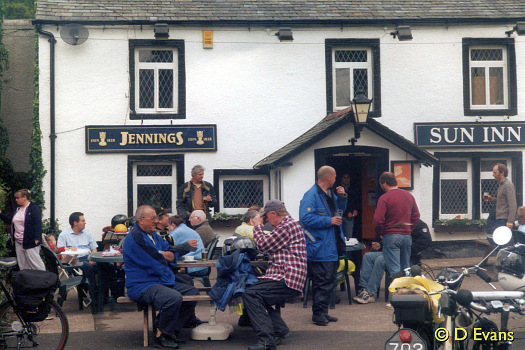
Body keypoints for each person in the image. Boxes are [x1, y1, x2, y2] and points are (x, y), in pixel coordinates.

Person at [123, 205, 199, 349]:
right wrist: (164, 256)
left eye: (157, 218)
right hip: (141, 285)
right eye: (153, 219)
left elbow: (170, 251)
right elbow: (154, 261)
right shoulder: (135, 238)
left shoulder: (153, 235)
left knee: (192, 293)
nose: (156, 221)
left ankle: (170, 330)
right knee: (173, 298)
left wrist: (164, 255)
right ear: (141, 220)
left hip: (157, 281)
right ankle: (161, 336)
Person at [243, 200, 307, 350]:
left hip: (287, 277)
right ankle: (279, 330)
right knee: (253, 292)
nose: (265, 220)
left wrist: (257, 226)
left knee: (251, 294)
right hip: (285, 275)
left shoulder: (287, 226)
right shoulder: (288, 225)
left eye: (266, 217)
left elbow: (263, 245)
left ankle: (266, 341)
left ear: (274, 213)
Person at [299, 165, 347, 326]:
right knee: (322, 280)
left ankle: (323, 312)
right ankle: (318, 314)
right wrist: (328, 221)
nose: (336, 179)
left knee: (329, 280)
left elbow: (339, 212)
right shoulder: (311, 195)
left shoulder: (330, 194)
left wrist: (342, 198)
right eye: (334, 177)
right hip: (319, 246)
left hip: (331, 244)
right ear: (329, 178)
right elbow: (305, 218)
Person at [354, 220, 431, 304]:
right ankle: (363, 288)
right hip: (391, 254)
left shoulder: (418, 224)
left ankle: (370, 293)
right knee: (368, 256)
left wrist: (406, 249)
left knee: (381, 260)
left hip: (408, 258)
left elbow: (425, 242)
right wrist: (380, 246)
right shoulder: (396, 222)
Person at [373, 172, 420, 277]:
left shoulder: (384, 198)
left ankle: (398, 292)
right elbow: (416, 216)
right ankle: (407, 292)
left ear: (384, 183)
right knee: (406, 268)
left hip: (391, 235)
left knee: (395, 271)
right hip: (406, 236)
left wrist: (379, 233)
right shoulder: (409, 196)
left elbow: (378, 220)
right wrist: (409, 229)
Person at [57, 212, 99, 300]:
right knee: (89, 267)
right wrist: (68, 249)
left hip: (89, 257)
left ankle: (104, 295)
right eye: (83, 221)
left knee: (106, 266)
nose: (85, 222)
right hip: (75, 260)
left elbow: (94, 248)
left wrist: (94, 258)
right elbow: (59, 252)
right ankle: (94, 295)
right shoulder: (64, 235)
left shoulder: (87, 233)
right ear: (75, 223)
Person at [0, 189, 45, 270]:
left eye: (18, 198)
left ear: (25, 197)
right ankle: (26, 281)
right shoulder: (17, 209)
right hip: (19, 242)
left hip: (30, 241)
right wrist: (1, 214)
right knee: (22, 264)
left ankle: (45, 280)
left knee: (35, 263)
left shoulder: (33, 208)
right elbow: (11, 220)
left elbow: (37, 224)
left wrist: (37, 238)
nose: (16, 200)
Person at [484, 163, 517, 230]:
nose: (493, 175)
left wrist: (510, 221)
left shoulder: (508, 185)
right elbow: (502, 202)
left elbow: (512, 204)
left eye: (495, 173)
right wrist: (492, 199)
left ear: (502, 173)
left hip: (504, 220)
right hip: (499, 218)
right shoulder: (501, 185)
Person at [337, 173, 359, 239]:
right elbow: (338, 203)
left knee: (349, 238)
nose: (346, 179)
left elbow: (356, 200)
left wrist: (355, 210)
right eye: (344, 177)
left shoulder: (353, 187)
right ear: (341, 178)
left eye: (348, 177)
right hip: (339, 216)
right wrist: (347, 212)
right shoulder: (337, 188)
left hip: (350, 217)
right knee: (339, 237)